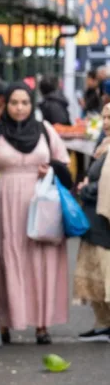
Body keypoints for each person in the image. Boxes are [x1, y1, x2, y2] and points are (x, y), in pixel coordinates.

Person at [0, 82, 71, 345]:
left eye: (25, 103)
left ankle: (42, 325)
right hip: (1, 208)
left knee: (40, 262)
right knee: (2, 260)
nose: (19, 108)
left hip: (41, 206)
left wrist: (49, 168)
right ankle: (4, 324)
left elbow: (64, 163)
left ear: (32, 104)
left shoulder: (44, 130)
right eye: (14, 102)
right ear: (5, 104)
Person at [74, 105, 110, 342]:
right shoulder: (104, 145)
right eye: (105, 116)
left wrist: (87, 189)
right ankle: (103, 324)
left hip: (104, 222)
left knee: (106, 273)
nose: (106, 121)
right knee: (95, 273)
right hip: (94, 221)